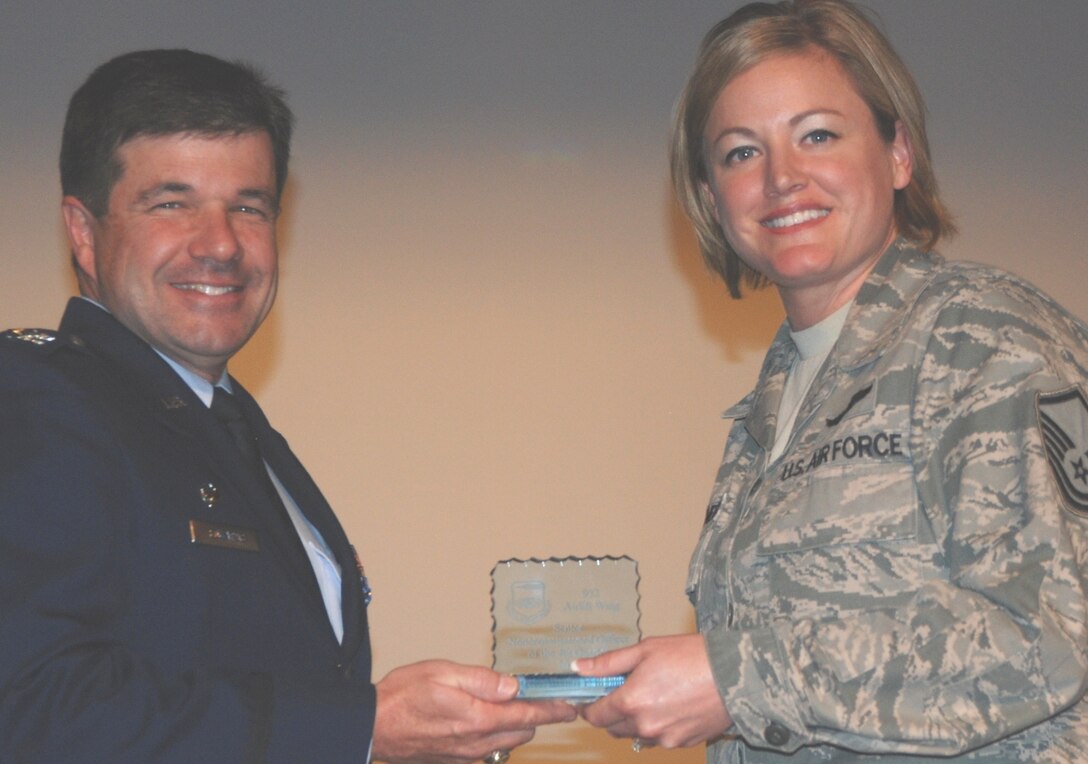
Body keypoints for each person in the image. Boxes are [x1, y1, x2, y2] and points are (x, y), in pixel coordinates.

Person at [0, 49, 574, 763]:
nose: (220, 244)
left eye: (249, 207)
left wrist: (400, 732)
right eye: (171, 203)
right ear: (84, 232)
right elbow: (33, 707)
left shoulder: (227, 425)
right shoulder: (38, 403)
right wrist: (362, 728)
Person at [575, 0, 1088, 760]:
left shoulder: (981, 337)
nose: (782, 178)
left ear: (898, 154)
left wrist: (735, 679)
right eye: (741, 153)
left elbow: (1045, 635)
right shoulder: (778, 399)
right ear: (713, 198)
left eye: (818, 135)